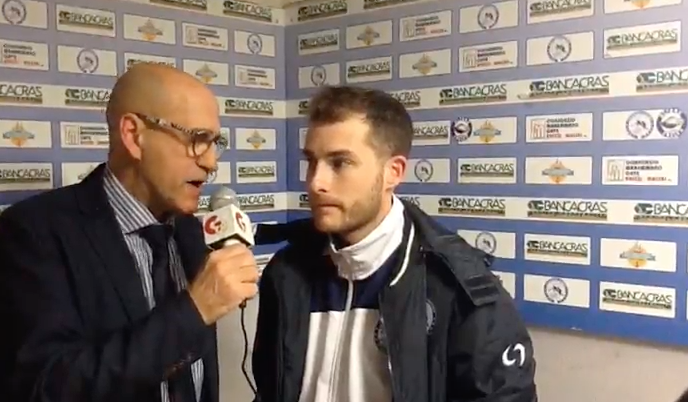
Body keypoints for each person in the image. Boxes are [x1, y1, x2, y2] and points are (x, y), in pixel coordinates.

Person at [252, 86, 538, 402]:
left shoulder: (458, 288)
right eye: (311, 161)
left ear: (393, 172)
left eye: (340, 163)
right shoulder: (286, 274)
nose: (315, 182)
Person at [0, 63, 265, 402]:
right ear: (134, 135)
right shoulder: (34, 233)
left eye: (215, 143)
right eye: (198, 139)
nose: (211, 162)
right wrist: (193, 310)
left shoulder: (190, 232)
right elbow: (44, 387)